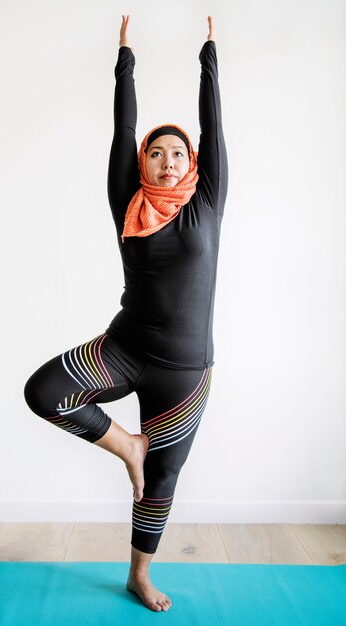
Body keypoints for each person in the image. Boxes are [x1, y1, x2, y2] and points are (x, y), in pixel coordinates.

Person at [24, 14, 228, 612]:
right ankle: (126, 446)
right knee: (45, 392)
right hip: (124, 347)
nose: (167, 161)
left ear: (192, 165)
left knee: (160, 486)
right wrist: (125, 59)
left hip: (185, 374)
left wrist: (209, 57)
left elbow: (214, 127)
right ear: (142, 165)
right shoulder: (127, 204)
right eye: (157, 154)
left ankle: (139, 575)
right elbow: (125, 126)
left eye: (177, 154)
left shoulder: (209, 203)